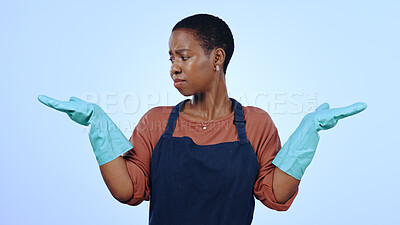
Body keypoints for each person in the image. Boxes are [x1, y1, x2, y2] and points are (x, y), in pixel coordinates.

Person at [37, 14, 367, 225]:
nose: (174, 67)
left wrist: (308, 134)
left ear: (217, 58)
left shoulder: (255, 124)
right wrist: (99, 124)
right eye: (171, 59)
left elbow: (275, 195)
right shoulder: (156, 122)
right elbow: (127, 191)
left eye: (184, 56)